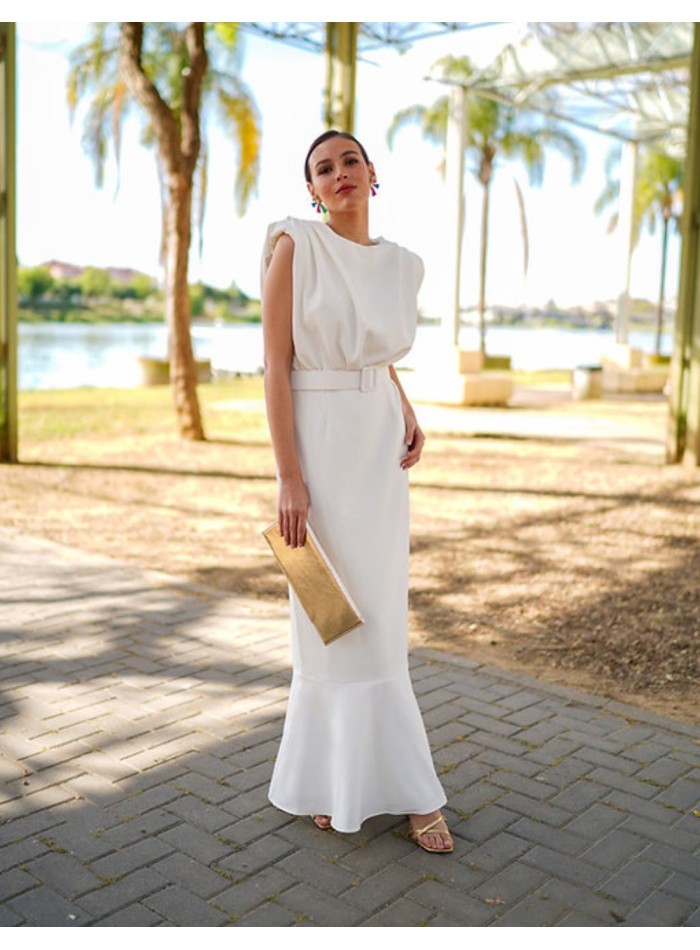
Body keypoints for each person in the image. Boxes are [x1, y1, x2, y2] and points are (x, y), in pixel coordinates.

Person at [261, 129, 453, 853]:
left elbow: (376, 351)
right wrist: (289, 476)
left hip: (377, 449)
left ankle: (411, 791)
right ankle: (330, 781)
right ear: (311, 189)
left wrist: (405, 404)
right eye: (323, 168)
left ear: (373, 174)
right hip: (318, 446)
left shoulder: (403, 265)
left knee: (380, 621)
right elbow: (275, 367)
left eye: (349, 161)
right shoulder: (294, 245)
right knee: (328, 623)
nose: (338, 173)